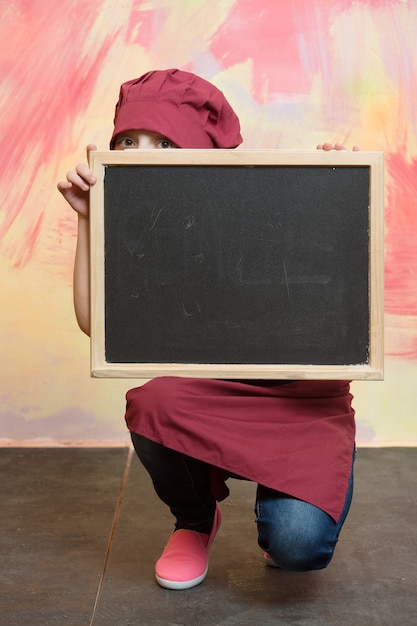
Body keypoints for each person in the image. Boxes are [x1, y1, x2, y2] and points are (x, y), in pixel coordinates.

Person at [58, 68, 359, 591]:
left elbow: (337, 294)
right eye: (126, 140)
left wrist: (340, 192)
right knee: (153, 402)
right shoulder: (143, 226)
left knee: (297, 546)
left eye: (162, 141)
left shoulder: (263, 204)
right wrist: (89, 220)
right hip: (206, 392)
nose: (138, 153)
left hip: (298, 406)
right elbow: (97, 327)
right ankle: (195, 521)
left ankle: (285, 506)